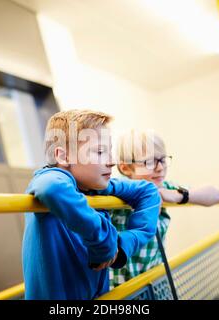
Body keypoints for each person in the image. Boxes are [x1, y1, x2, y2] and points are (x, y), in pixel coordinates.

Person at [22, 110, 162, 299]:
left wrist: (122, 245)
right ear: (63, 157)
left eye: (109, 151)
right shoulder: (51, 177)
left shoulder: (95, 186)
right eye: (99, 152)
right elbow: (51, 187)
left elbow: (148, 191)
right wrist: (104, 243)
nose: (111, 161)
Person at [110, 129, 219, 288]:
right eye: (149, 162)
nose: (160, 168)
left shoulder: (164, 187)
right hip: (122, 290)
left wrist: (179, 195)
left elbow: (216, 195)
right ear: (126, 168)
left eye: (163, 160)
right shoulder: (117, 191)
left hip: (157, 283)